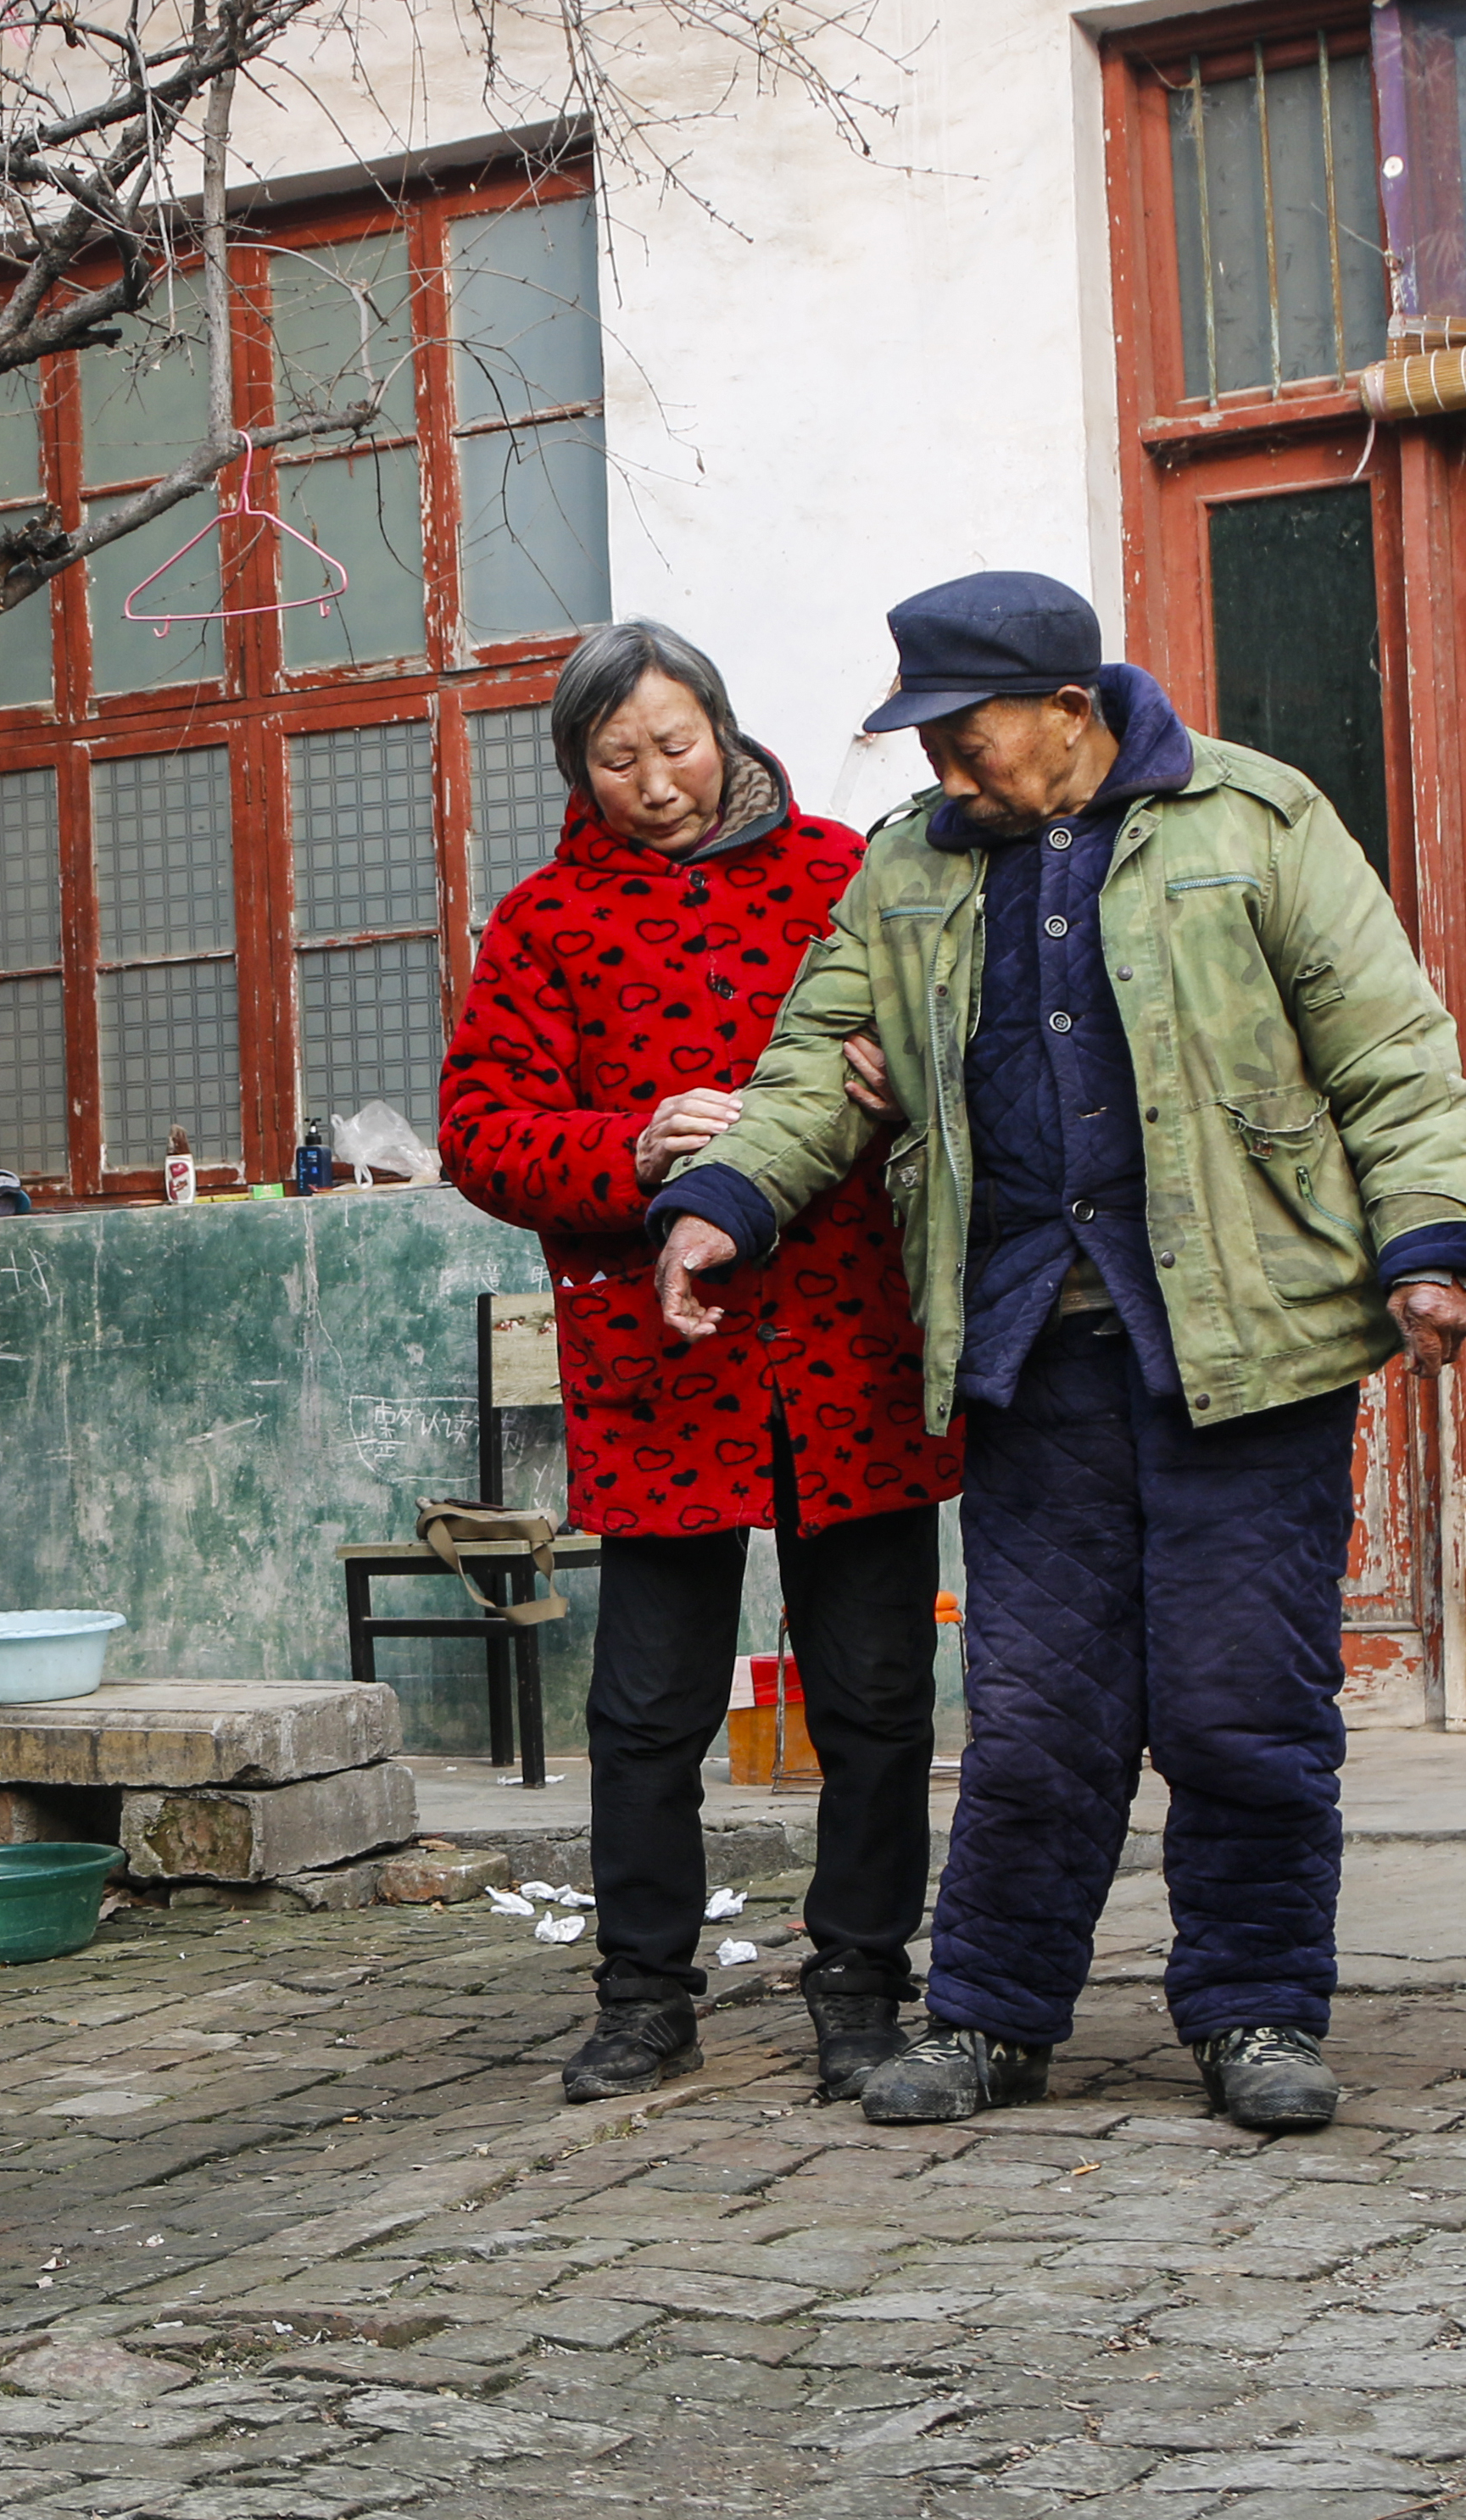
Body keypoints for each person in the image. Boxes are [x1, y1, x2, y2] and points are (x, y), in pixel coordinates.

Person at [646, 571, 1466, 2133]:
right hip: (1032, 1353)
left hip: (1249, 1351)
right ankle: (990, 2019)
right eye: (923, 743)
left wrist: (1434, 1240)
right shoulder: (911, 871)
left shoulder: (1256, 820)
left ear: (1071, 708)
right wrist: (722, 1204)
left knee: (1242, 1707)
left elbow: (1390, 1050)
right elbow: (808, 1070)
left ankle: (1253, 2010)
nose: (942, 773)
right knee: (1038, 1721)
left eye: (967, 737)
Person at [441, 622, 962, 2106]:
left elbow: (955, 1046)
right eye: (616, 759)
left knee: (873, 1695)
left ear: (724, 728)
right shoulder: (544, 924)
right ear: (578, 770)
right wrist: (628, 1144)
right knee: (648, 1710)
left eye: (675, 743)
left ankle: (862, 1980)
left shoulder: (837, 882)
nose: (655, 782)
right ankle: (643, 1992)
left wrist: (900, 1075)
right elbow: (482, 1132)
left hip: (851, 1342)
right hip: (660, 1361)